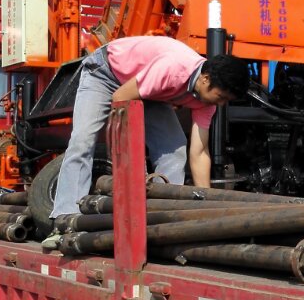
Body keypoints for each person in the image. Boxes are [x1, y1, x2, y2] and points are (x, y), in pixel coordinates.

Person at [42, 36, 250, 249]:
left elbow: (199, 152)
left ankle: (159, 220)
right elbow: (121, 98)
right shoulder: (173, 69)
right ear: (205, 79)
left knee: (175, 148)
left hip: (149, 91)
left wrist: (208, 205)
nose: (221, 103)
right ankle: (64, 221)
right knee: (82, 142)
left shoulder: (207, 101)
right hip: (106, 74)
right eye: (221, 96)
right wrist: (135, 166)